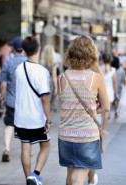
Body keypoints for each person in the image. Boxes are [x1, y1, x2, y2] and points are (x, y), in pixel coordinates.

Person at [58, 35, 110, 185]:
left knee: (70, 176)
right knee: (78, 178)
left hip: (65, 135)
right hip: (86, 136)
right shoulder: (95, 78)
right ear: (91, 53)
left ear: (71, 53)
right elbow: (106, 107)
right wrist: (94, 110)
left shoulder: (62, 77)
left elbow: (66, 102)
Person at [14, 36, 51, 185]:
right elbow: (44, 99)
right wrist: (48, 119)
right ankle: (35, 174)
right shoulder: (42, 71)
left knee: (25, 147)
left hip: (20, 117)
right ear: (39, 49)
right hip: (37, 118)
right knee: (45, 146)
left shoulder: (19, 69)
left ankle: (28, 178)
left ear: (24, 51)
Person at [0, 36, 27, 162]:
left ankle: (7, 148)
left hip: (11, 100)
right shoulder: (29, 63)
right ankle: (27, 151)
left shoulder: (8, 64)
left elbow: (3, 84)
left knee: (9, 125)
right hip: (26, 101)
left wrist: (3, 99)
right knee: (26, 127)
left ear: (13, 49)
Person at [100, 53, 119, 135]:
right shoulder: (113, 70)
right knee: (107, 111)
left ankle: (98, 128)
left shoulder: (99, 68)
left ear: (102, 59)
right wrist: (117, 94)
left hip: (100, 92)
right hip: (110, 92)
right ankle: (104, 129)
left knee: (100, 112)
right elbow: (115, 83)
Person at [41, 45, 58, 112]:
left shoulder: (42, 61)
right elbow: (54, 76)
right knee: (51, 97)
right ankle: (51, 106)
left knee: (44, 97)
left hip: (43, 80)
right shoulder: (54, 62)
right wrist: (56, 87)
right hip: (50, 81)